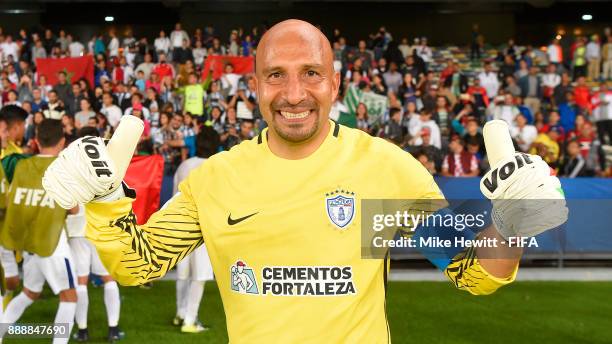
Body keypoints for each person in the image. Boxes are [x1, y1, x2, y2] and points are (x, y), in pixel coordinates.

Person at [45, 20, 565, 343]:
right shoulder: (219, 176)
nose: (294, 92)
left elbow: (474, 274)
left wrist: (514, 220)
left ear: (335, 82)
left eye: (311, 73)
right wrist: (107, 198)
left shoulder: (383, 166)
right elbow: (138, 266)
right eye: (277, 74)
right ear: (254, 86)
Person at [0, 118, 77, 344]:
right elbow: (73, 209)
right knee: (70, 297)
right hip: (53, 245)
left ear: (35, 141)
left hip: (29, 244)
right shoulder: (62, 169)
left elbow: (15, 204)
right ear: (62, 142)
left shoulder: (23, 166)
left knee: (29, 293)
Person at [67, 127, 123, 342]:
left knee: (80, 281)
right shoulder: (110, 164)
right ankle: (113, 329)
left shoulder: (69, 165)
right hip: (101, 229)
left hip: (77, 229)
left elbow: (69, 204)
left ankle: (82, 331)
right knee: (108, 279)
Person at [171, 127, 219, 333]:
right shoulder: (216, 166)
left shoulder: (184, 165)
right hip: (202, 227)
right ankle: (189, 320)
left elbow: (174, 195)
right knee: (199, 276)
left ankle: (181, 313)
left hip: (179, 224)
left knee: (183, 274)